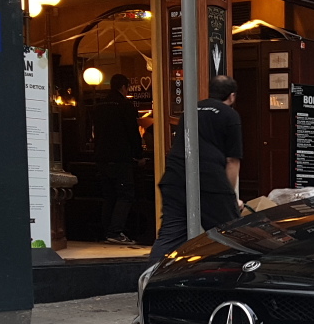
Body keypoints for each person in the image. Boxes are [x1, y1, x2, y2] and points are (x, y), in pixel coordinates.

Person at [150, 75, 244, 262]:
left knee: (170, 236)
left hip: (175, 178)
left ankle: (150, 280)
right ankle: (231, 281)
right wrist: (230, 195)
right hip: (210, 181)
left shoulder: (190, 111)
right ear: (232, 96)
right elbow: (232, 161)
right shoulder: (229, 115)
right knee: (229, 234)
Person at [92, 74, 144, 245]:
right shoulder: (124, 106)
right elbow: (133, 134)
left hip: (101, 158)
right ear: (123, 87)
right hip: (120, 158)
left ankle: (106, 231)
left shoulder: (99, 107)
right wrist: (139, 155)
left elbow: (95, 134)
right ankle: (115, 232)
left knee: (109, 196)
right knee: (125, 194)